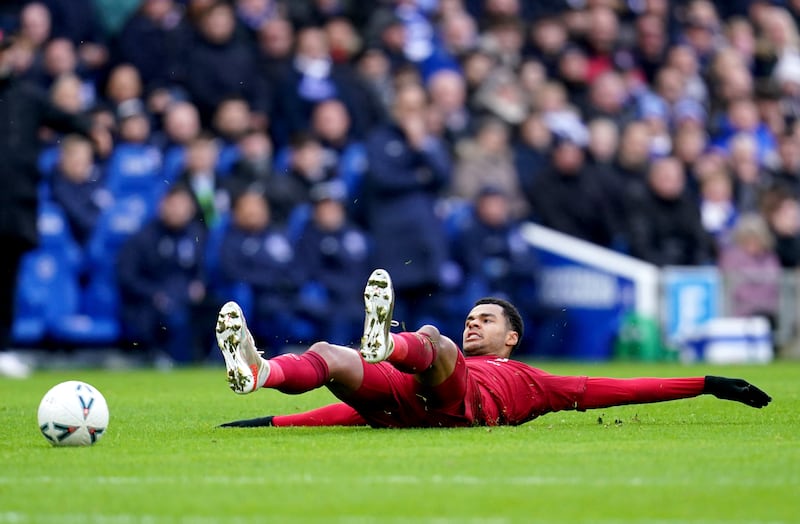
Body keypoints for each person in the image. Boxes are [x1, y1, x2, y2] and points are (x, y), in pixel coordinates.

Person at [217, 268, 771, 429]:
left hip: (461, 405)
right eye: (471, 318)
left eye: (485, 320)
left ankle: (386, 341)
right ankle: (259, 370)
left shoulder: (533, 380)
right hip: (410, 403)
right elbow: (344, 412)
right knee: (330, 353)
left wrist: (705, 384)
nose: (473, 324)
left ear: (512, 337)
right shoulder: (445, 353)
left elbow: (619, 388)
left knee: (431, 340)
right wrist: (272, 423)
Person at [0, 33, 111, 378]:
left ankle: (1, 348)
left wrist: (93, 129)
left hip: (14, 208)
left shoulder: (27, 96)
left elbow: (63, 118)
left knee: (5, 280)